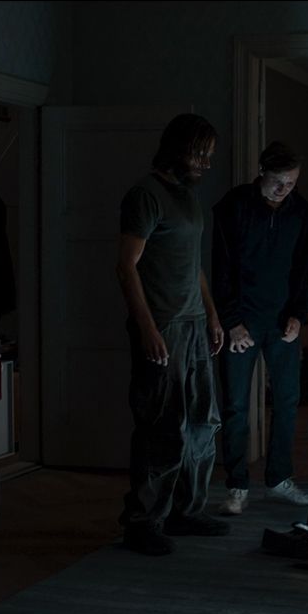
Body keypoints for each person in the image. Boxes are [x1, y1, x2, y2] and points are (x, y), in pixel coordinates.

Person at [115, 113, 230, 556]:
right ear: (178, 150)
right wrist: (147, 328)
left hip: (195, 324)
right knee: (163, 426)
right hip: (163, 325)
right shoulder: (145, 196)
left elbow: (194, 264)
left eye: (209, 156)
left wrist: (212, 316)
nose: (205, 163)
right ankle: (143, 521)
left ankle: (187, 510)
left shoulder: (188, 197)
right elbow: (126, 267)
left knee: (203, 422)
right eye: (199, 154)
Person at [212, 141, 308, 515]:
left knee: (287, 401)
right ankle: (237, 485)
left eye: (291, 183)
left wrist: (298, 315)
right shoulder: (234, 206)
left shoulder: (301, 213)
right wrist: (231, 322)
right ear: (261, 172)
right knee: (236, 406)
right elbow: (220, 268)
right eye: (277, 181)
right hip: (242, 321)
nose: (284, 189)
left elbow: (304, 270)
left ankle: (279, 478)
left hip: (282, 322)